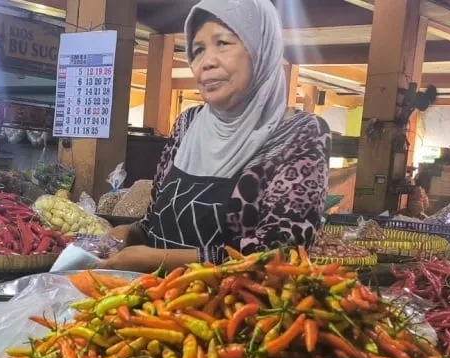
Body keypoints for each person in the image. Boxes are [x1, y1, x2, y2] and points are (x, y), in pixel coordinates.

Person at [103, 0, 331, 272]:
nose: (206, 62)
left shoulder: (300, 133)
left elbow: (279, 255)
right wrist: (132, 232)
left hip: (235, 310)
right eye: (197, 50)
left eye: (222, 43)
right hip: (152, 306)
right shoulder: (187, 124)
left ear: (260, 49)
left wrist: (159, 260)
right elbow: (156, 221)